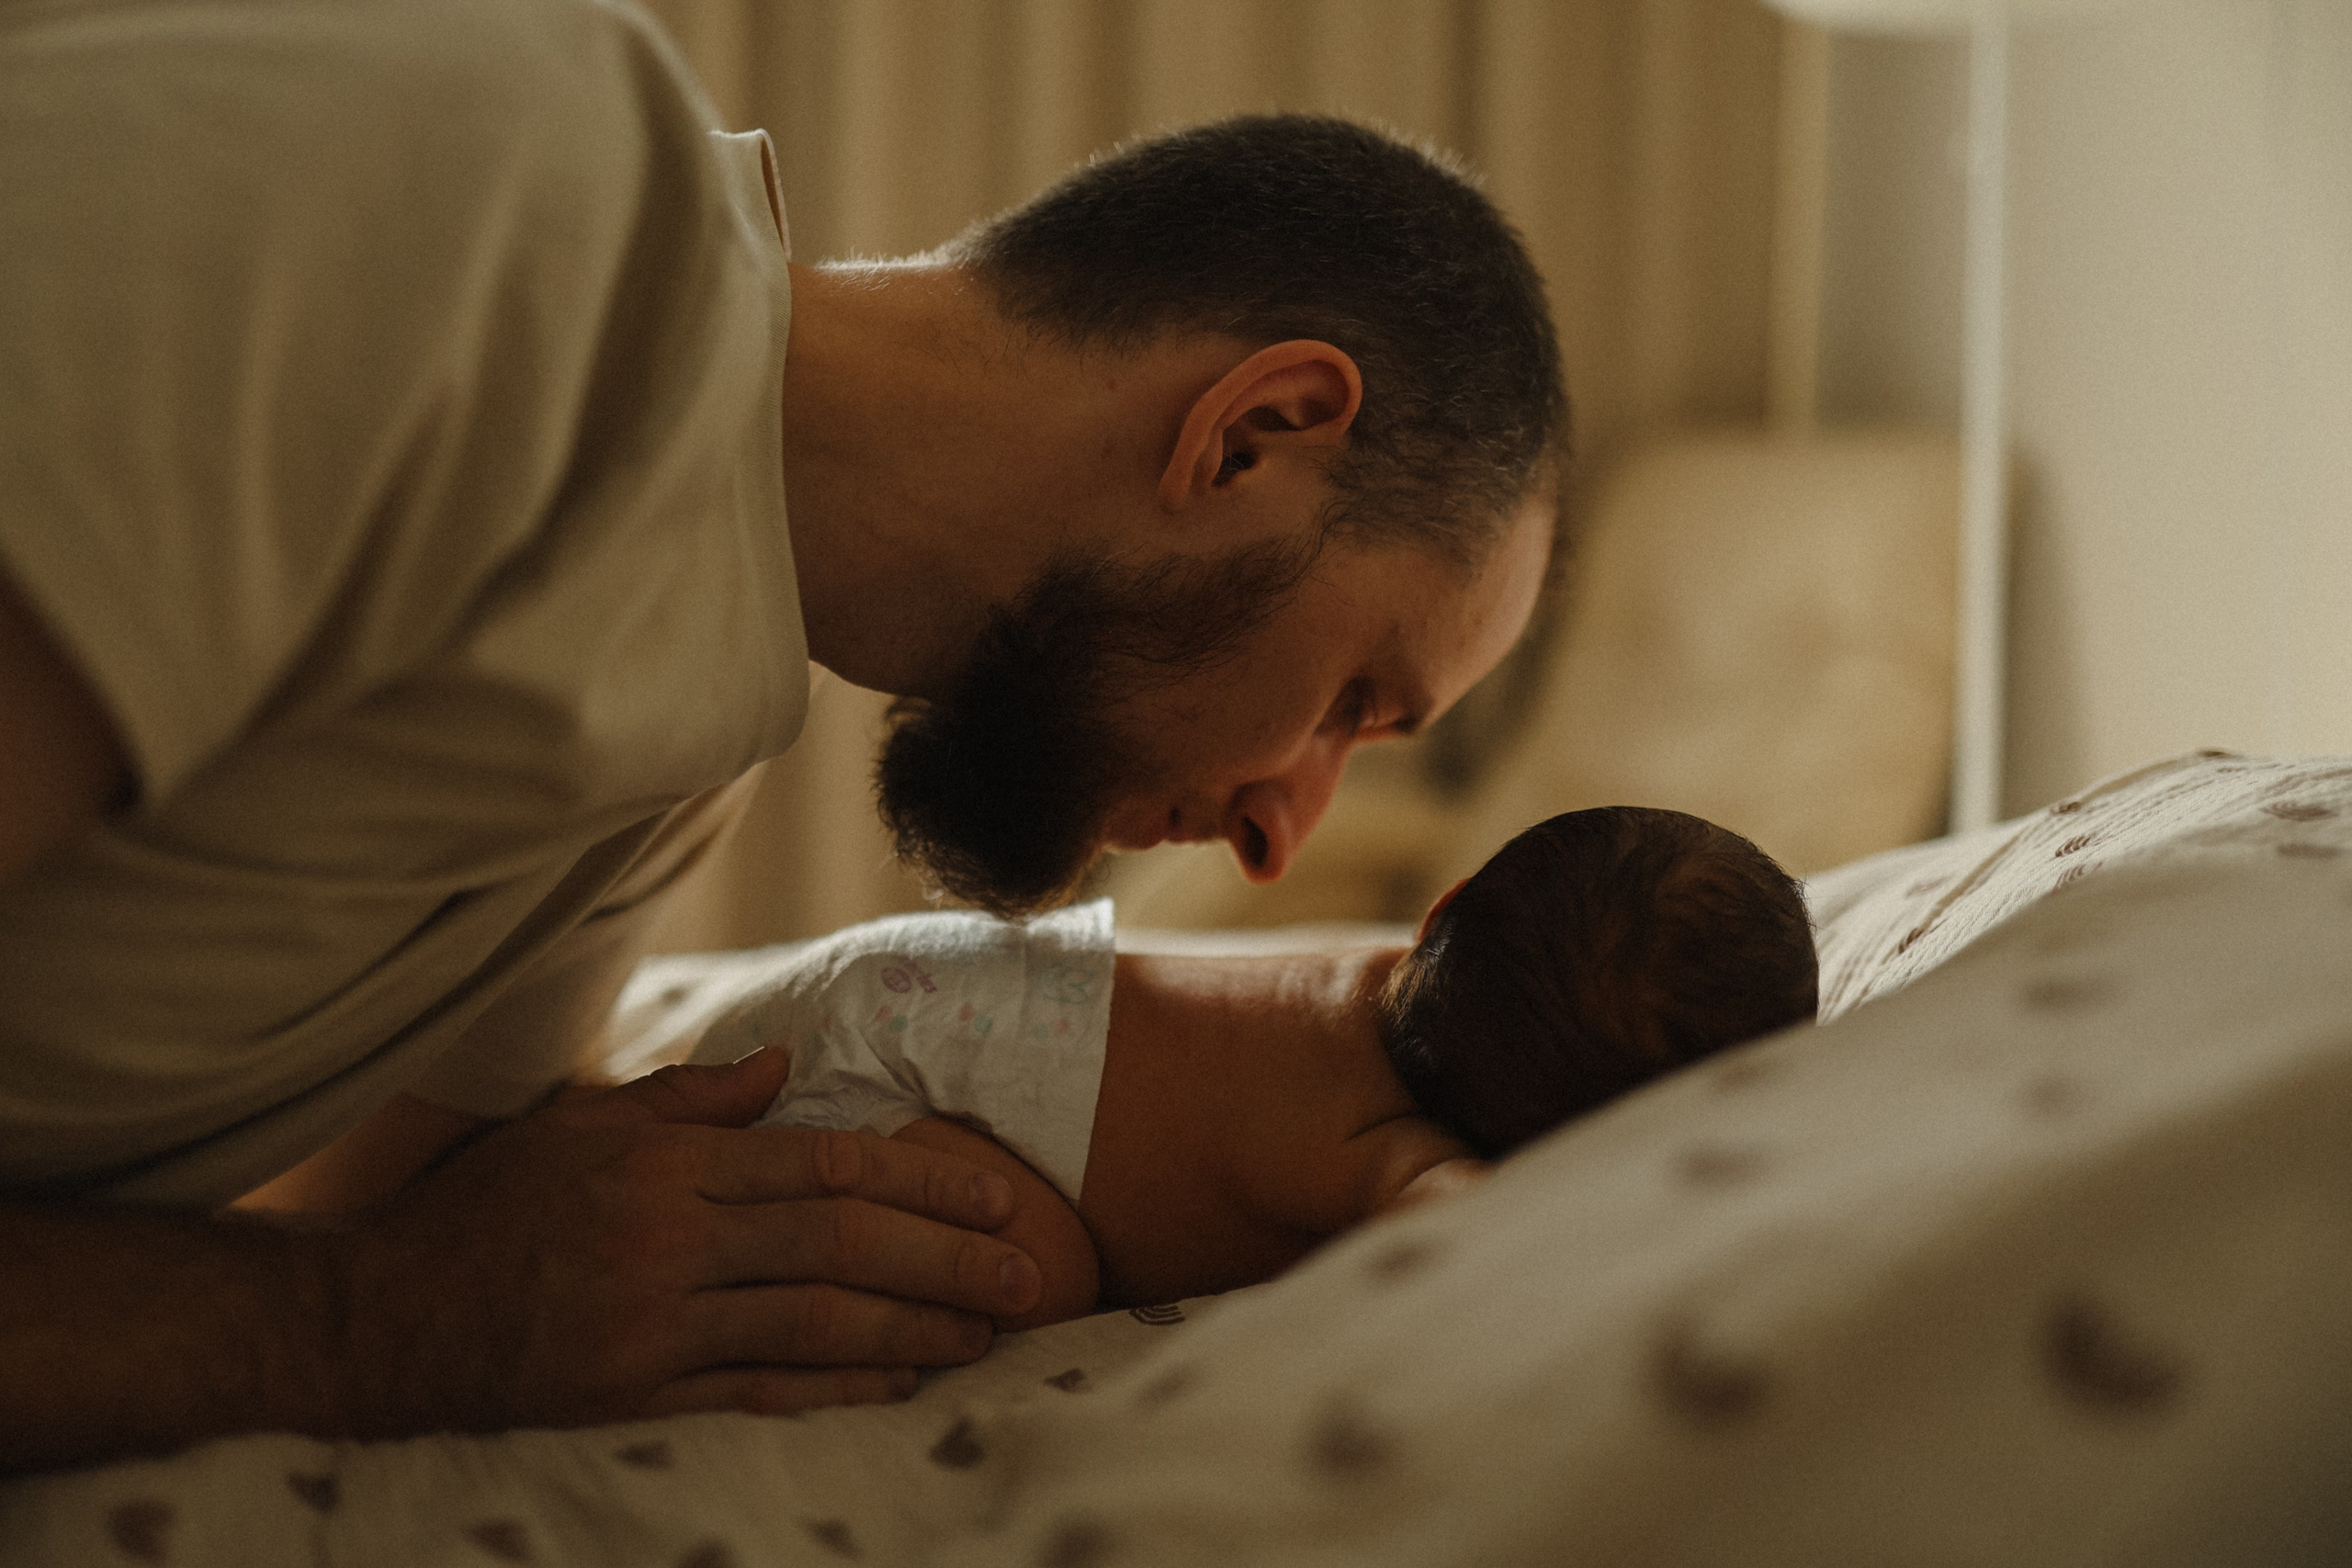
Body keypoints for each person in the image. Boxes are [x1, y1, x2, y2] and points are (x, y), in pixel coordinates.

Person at [0, 0, 1566, 1469]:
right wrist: (352, 1329)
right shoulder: (489, 195)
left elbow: (353, 1237)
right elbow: (367, 1294)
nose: (1284, 831)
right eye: (1356, 701)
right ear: (1255, 434)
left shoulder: (671, 771)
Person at [616, 807, 1817, 1327]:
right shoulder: (1400, 1161)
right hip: (887, 1087)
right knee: (1028, 1268)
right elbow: (1483, 1242)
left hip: (891, 983)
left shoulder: (1361, 967)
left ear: (1447, 906)